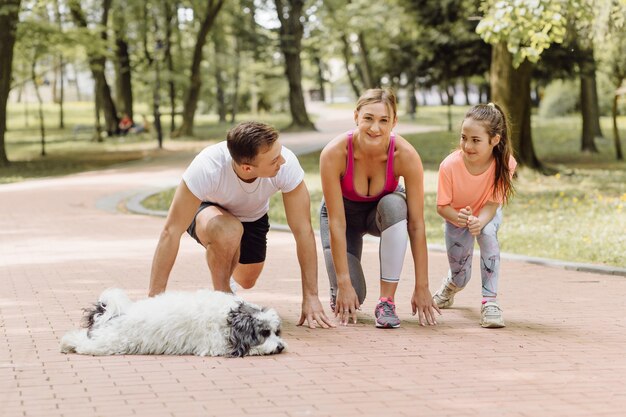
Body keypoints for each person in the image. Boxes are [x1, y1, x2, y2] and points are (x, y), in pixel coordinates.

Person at [148, 121, 334, 329]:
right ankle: (224, 303)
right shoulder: (208, 166)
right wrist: (153, 303)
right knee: (228, 231)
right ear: (247, 168)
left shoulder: (286, 164)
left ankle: (223, 258)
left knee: (247, 279)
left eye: (279, 153)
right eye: (274, 160)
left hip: (252, 216)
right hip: (208, 211)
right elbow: (171, 232)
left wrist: (311, 296)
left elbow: (303, 231)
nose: (282, 160)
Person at [319, 88, 440, 328]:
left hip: (379, 216)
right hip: (344, 218)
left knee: (396, 203)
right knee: (351, 298)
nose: (375, 128)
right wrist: (343, 283)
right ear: (356, 117)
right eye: (368, 118)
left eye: (384, 120)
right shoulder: (334, 153)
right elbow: (337, 222)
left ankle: (387, 302)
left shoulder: (405, 155)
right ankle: (342, 288)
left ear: (394, 121)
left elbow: (416, 225)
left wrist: (422, 286)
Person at [432, 103, 516, 328]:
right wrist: (460, 217)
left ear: (494, 140)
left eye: (476, 140)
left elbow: (493, 203)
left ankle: (490, 302)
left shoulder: (504, 164)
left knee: (488, 233)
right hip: (456, 217)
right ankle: (450, 286)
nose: (467, 145)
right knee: (461, 276)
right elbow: (442, 206)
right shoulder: (449, 166)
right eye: (464, 137)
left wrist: (480, 221)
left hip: (486, 214)